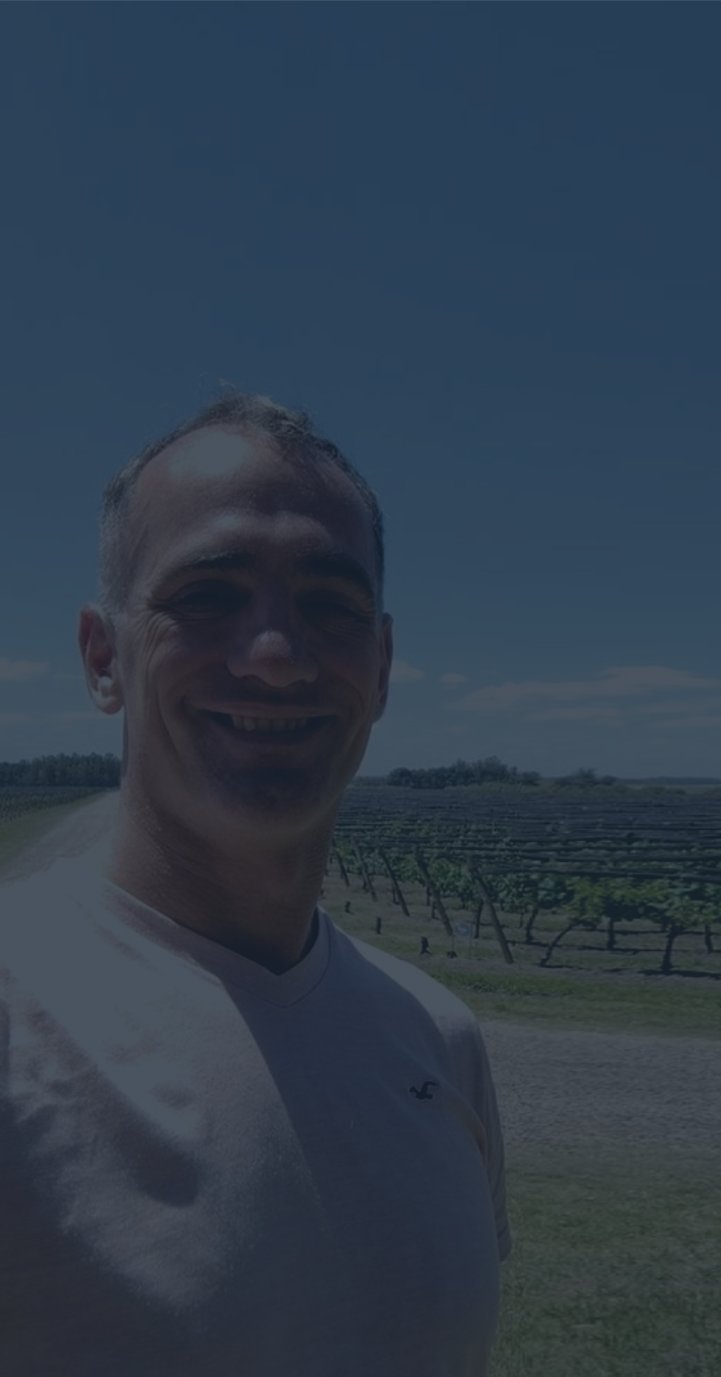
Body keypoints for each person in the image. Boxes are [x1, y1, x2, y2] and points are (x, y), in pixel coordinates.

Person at [0, 394, 512, 1375]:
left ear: (381, 666)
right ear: (103, 659)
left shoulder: (437, 1036)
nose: (276, 656)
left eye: (330, 604)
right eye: (207, 594)